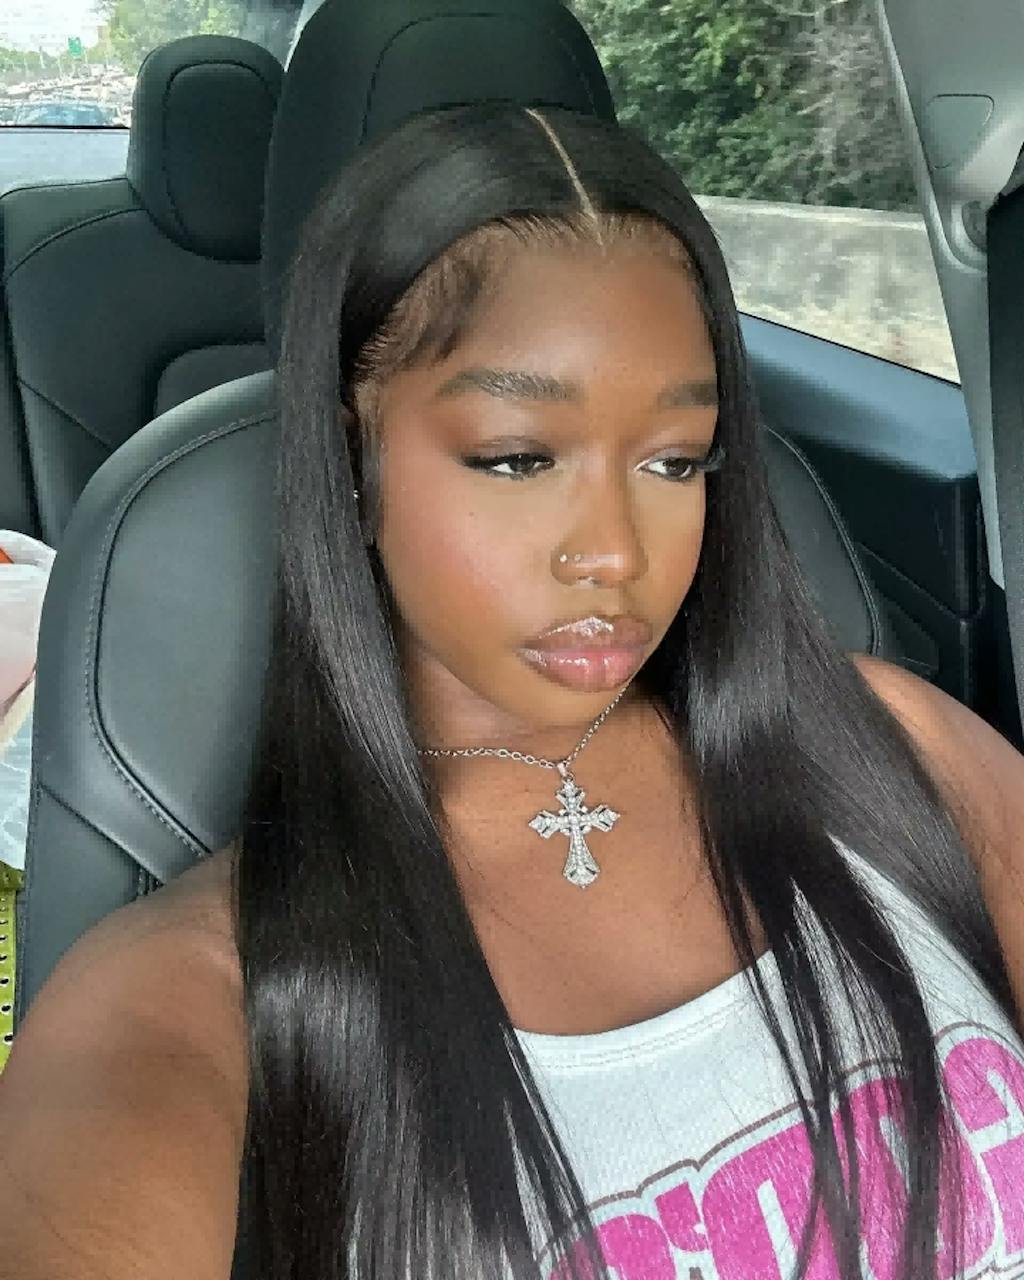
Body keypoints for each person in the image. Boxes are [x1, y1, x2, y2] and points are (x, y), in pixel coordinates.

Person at [2, 101, 1024, 1280]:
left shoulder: (895, 746)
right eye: (517, 457)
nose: (614, 552)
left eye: (674, 460)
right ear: (350, 459)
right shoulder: (191, 999)